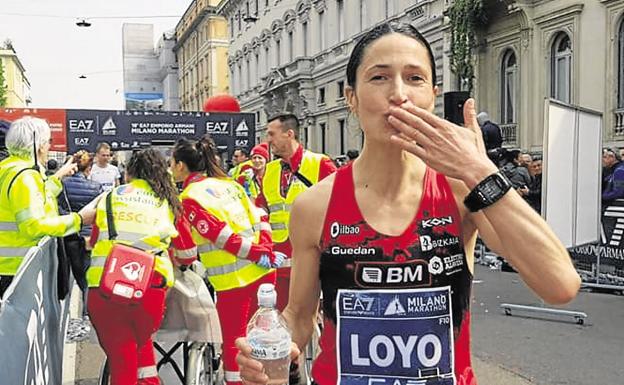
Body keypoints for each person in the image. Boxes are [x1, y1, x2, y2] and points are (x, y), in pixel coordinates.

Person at [236, 22, 580, 385]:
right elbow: (300, 316)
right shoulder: (314, 206)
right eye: (379, 78)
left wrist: (480, 170)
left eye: (414, 78)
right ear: (350, 97)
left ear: (432, 95)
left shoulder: (462, 190)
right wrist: (269, 351)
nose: (398, 94)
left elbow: (560, 284)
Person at [170, 136, 282, 385]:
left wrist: (258, 253)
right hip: (264, 273)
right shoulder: (229, 183)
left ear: (180, 166)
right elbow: (261, 216)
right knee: (261, 340)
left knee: (235, 344)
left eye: (171, 162)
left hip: (235, 281)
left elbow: (222, 238)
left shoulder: (189, 198)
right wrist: (264, 250)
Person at [86, 148, 180, 385]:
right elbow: (183, 248)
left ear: (129, 172)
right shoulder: (166, 201)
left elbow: (95, 239)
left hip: (107, 290)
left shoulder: (110, 197)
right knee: (140, 346)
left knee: (122, 362)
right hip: (151, 291)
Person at [0, 117, 94, 298]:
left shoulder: (9, 168)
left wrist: (58, 178)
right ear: (39, 146)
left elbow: (36, 201)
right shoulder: (25, 176)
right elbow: (34, 225)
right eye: (48, 141)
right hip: (19, 270)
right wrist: (79, 219)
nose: (49, 146)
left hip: (10, 268)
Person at [255, 113, 337, 311]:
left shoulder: (320, 164)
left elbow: (341, 205)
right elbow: (261, 209)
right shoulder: (270, 169)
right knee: (283, 317)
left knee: (312, 317)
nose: (268, 140)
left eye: (272, 134)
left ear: (289, 134)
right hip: (279, 260)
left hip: (313, 257)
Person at [58, 150, 103, 317]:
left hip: (68, 236)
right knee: (87, 280)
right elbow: (100, 214)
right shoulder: (96, 187)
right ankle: (87, 315)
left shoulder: (62, 186)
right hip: (89, 238)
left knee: (66, 279)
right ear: (89, 168)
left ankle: (67, 317)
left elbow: (58, 210)